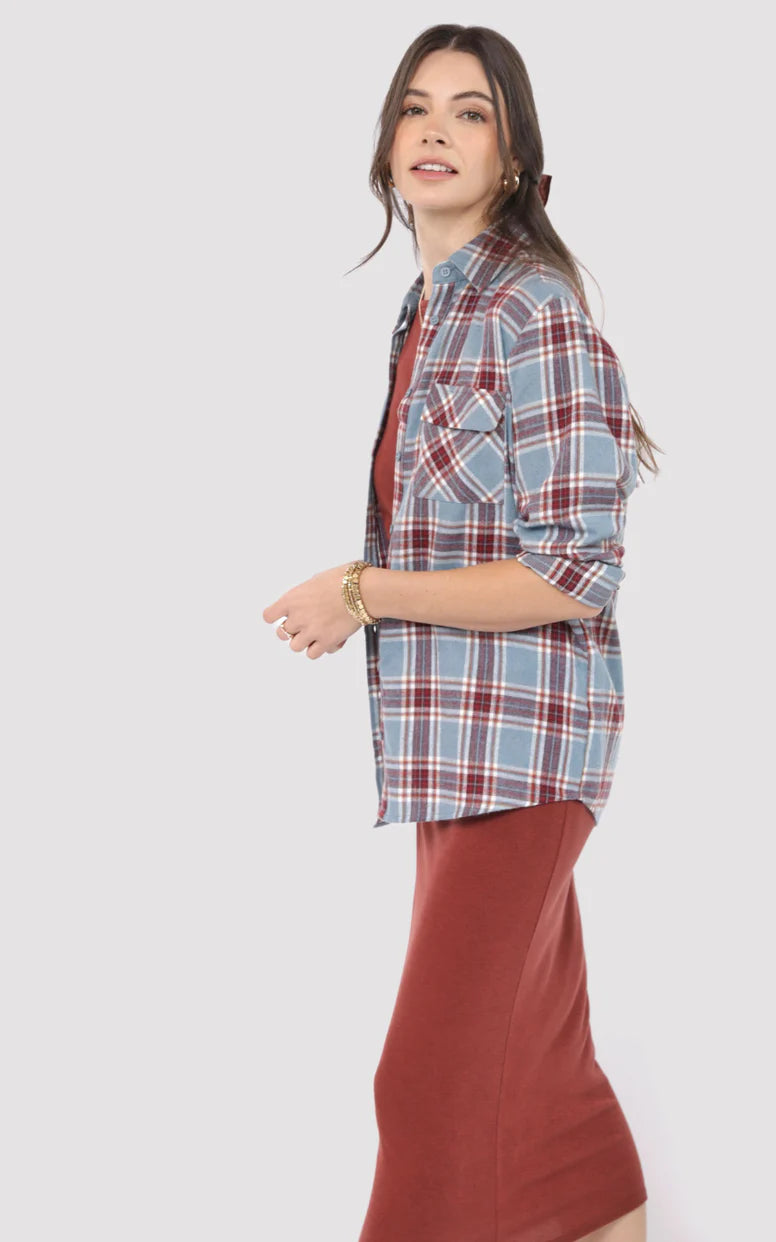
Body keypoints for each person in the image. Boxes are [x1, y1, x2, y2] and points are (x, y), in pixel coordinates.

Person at [263, 23, 663, 1242]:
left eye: (470, 112)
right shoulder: (430, 310)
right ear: (386, 145)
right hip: (456, 757)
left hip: (526, 759)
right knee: (542, 1080)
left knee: (427, 1088)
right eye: (414, 108)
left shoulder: (531, 312)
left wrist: (362, 590)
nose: (434, 129)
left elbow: (576, 570)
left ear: (514, 156)